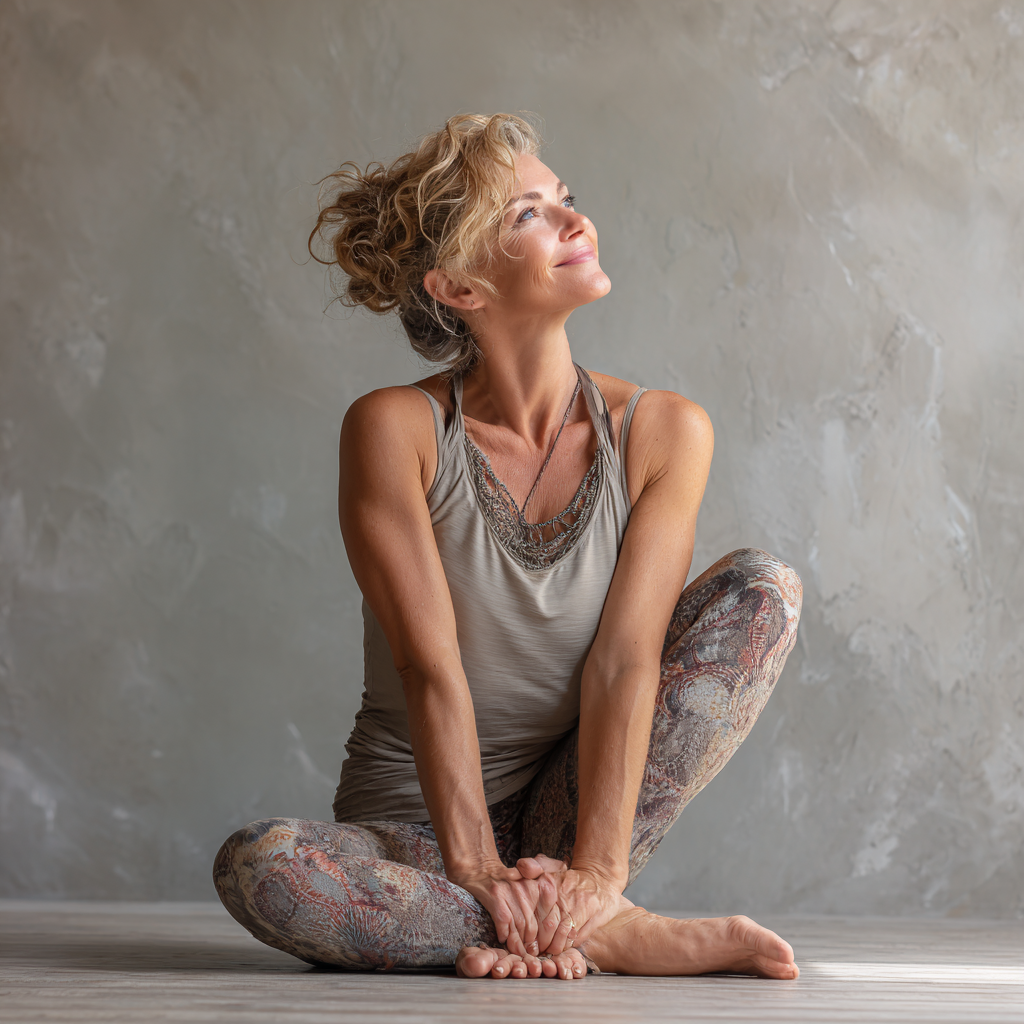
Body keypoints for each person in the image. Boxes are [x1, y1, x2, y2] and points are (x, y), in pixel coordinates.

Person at [212, 113, 802, 981]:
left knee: (762, 587)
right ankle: (603, 934)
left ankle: (580, 909)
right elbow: (430, 666)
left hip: (568, 818)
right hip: (419, 832)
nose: (575, 221)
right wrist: (478, 868)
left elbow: (625, 664)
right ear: (459, 286)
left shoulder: (665, 431)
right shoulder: (396, 428)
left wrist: (596, 874)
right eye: (529, 214)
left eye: (564, 198)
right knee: (259, 866)